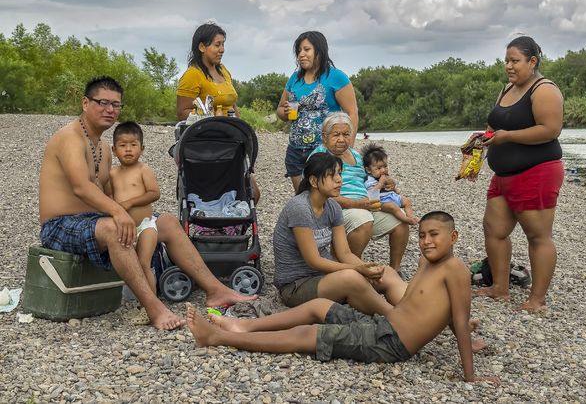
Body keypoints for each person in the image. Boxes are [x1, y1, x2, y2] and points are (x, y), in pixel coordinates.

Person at [39, 76, 256, 331]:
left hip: (94, 221)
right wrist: (118, 213)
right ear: (85, 103)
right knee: (115, 228)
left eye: (116, 105)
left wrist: (131, 215)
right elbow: (81, 187)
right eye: (103, 103)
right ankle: (154, 309)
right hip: (60, 225)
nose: (110, 110)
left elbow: (106, 194)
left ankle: (215, 290)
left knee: (167, 222)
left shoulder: (104, 148)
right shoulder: (70, 137)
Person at [187, 211, 499, 384]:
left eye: (434, 235)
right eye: (422, 235)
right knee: (319, 306)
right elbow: (435, 308)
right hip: (383, 324)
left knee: (309, 335)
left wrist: (470, 374)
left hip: (391, 343)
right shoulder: (424, 263)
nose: (426, 241)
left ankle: (218, 337)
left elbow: (458, 318)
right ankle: (245, 327)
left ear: (453, 237)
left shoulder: (455, 269)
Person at [475, 36, 564, 313]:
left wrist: (508, 136)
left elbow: (550, 130)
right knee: (494, 229)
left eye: (515, 61)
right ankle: (500, 288)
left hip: (536, 172)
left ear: (532, 61)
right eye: (506, 61)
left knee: (537, 236)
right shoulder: (507, 88)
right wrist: (479, 145)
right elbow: (495, 126)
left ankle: (537, 300)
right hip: (503, 175)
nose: (508, 66)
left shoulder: (544, 89)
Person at [273, 152, 408, 317]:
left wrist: (367, 269)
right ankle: (398, 318)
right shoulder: (299, 208)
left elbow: (344, 253)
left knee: (387, 273)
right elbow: (313, 261)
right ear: (314, 181)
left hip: (327, 279)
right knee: (352, 277)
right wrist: (357, 269)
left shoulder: (333, 207)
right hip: (296, 286)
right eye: (332, 175)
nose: (339, 180)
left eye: (339, 173)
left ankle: (416, 311)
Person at [311, 113, 409, 272]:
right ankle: (351, 268)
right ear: (324, 136)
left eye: (346, 134)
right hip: (338, 209)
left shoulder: (355, 155)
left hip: (366, 204)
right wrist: (357, 204)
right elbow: (317, 195)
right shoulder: (319, 156)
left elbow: (368, 181)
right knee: (363, 220)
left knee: (401, 220)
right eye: (336, 135)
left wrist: (387, 183)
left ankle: (395, 269)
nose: (341, 139)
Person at [176, 22, 260, 203]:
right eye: (217, 44)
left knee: (253, 192)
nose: (222, 49)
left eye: (223, 44)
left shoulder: (223, 71)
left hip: (232, 138)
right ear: (202, 47)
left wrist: (240, 127)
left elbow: (232, 104)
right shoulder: (193, 75)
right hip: (207, 140)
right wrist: (211, 117)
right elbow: (182, 112)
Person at [276, 31, 358, 193]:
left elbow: (352, 113)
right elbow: (279, 110)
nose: (301, 54)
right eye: (299, 51)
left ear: (320, 51)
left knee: (324, 196)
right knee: (302, 197)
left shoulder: (336, 77)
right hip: (295, 150)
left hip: (324, 150)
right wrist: (284, 112)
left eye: (306, 49)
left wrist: (348, 147)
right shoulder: (294, 79)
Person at [110, 121, 160, 296]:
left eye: (133, 145)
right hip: (124, 229)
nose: (128, 149)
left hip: (145, 226)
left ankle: (152, 303)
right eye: (123, 145)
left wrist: (130, 203)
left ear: (142, 148)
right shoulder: (112, 173)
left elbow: (154, 193)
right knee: (130, 264)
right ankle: (134, 297)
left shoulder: (143, 170)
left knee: (144, 263)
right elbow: (108, 198)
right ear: (114, 150)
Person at [361, 143, 419, 226]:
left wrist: (393, 187)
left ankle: (411, 217)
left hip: (391, 196)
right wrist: (380, 183)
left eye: (385, 166)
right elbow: (372, 194)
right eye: (379, 168)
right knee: (393, 207)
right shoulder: (369, 180)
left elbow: (393, 190)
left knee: (407, 201)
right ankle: (406, 219)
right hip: (382, 201)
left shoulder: (384, 176)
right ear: (368, 170)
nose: (383, 170)